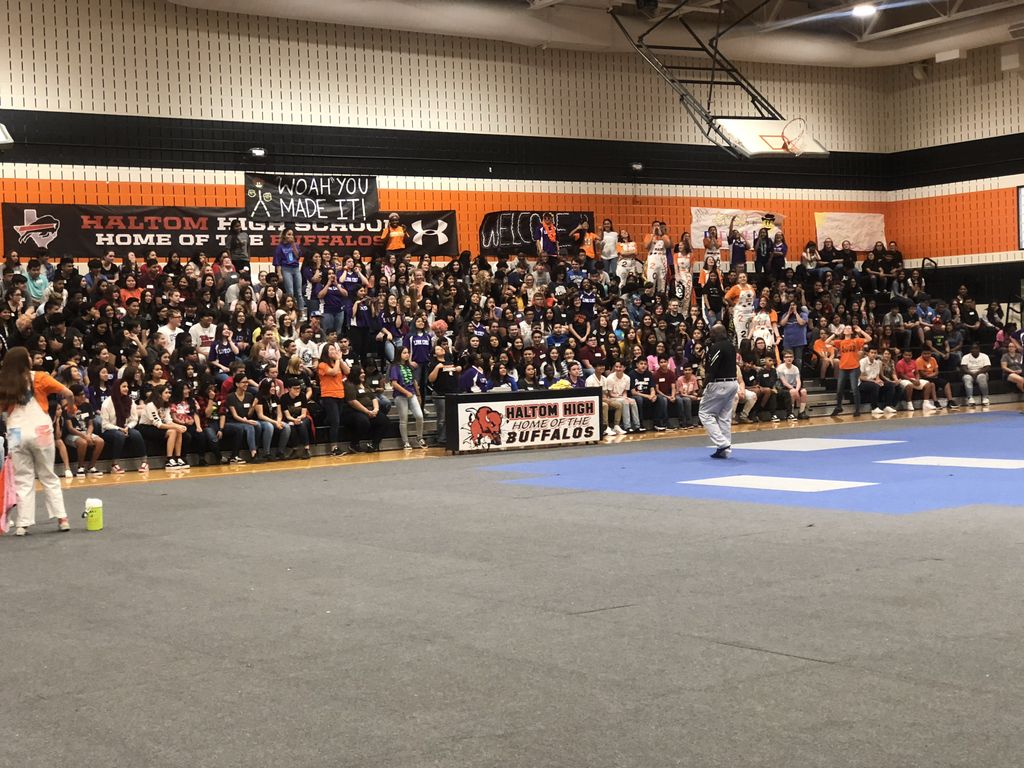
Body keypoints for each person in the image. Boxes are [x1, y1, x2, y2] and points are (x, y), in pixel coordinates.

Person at [0, 347, 72, 536]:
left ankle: (23, 524)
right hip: (40, 430)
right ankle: (62, 518)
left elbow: (3, 411)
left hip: (16, 432)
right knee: (48, 475)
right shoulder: (39, 377)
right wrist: (70, 408)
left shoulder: (4, 381)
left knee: (23, 478)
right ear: (26, 361)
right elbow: (68, 393)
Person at [699, 324, 739, 459]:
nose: (709, 336)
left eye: (711, 333)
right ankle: (725, 450)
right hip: (732, 383)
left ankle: (722, 444)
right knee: (724, 416)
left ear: (717, 334)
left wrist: (703, 386)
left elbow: (712, 368)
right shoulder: (731, 346)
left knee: (705, 413)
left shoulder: (716, 347)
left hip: (720, 384)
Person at [342, 365, 390, 453]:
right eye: (361, 373)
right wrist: (367, 411)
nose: (364, 374)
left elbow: (373, 398)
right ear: (355, 374)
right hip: (354, 411)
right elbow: (352, 401)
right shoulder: (349, 385)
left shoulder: (365, 384)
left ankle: (374, 444)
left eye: (363, 372)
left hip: (370, 410)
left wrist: (376, 409)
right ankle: (354, 444)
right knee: (363, 421)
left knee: (384, 420)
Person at [827, 324, 871, 417]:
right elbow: (826, 342)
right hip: (843, 367)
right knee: (839, 389)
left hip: (854, 367)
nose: (847, 329)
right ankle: (839, 407)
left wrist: (860, 331)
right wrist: (835, 334)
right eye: (846, 328)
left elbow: (869, 339)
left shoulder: (856, 340)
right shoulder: (840, 342)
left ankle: (857, 410)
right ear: (843, 331)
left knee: (854, 389)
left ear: (851, 332)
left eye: (849, 328)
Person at [390, 346, 425, 449]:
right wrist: (405, 392)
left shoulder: (409, 366)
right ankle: (406, 442)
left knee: (419, 416)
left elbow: (414, 381)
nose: (407, 354)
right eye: (404, 353)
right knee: (403, 419)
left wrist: (418, 394)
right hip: (400, 396)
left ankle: (419, 437)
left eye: (408, 353)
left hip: (412, 394)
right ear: (399, 354)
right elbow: (394, 383)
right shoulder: (394, 367)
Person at [427, 343, 460, 447]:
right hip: (440, 393)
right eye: (438, 349)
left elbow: (453, 376)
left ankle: (449, 437)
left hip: (452, 392)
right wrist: (437, 368)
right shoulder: (433, 364)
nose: (441, 349)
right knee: (442, 417)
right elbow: (431, 379)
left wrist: (458, 370)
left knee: (451, 416)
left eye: (441, 348)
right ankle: (441, 438)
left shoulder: (449, 362)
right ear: (434, 354)